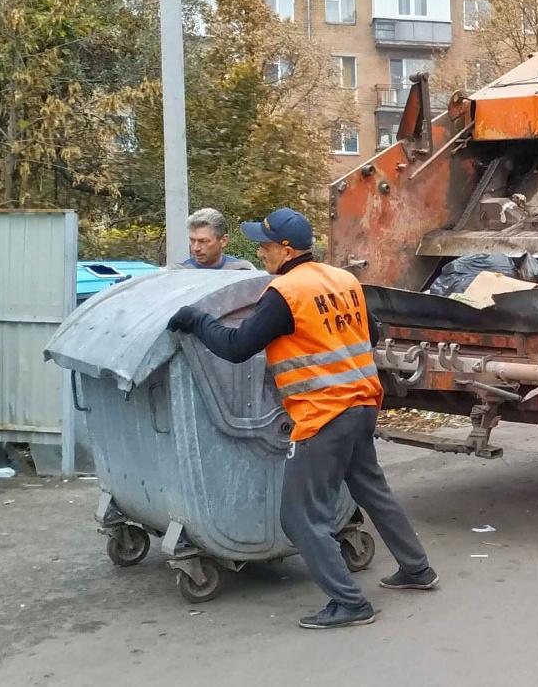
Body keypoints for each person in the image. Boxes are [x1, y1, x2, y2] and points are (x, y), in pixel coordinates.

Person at [166, 207, 436, 630]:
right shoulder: (343, 279)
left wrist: (197, 320)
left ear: (286, 249)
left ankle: (349, 603)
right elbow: (372, 333)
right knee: (371, 488)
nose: (261, 251)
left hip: (324, 415)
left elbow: (237, 346)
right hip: (362, 404)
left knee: (299, 516)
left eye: (265, 245)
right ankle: (417, 569)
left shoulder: (286, 291)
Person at [176, 208, 256, 270]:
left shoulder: (243, 270)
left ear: (223, 241)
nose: (195, 248)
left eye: (203, 241)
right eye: (192, 240)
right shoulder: (177, 273)